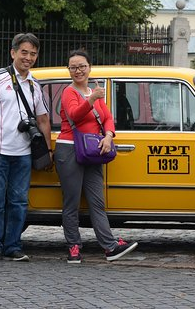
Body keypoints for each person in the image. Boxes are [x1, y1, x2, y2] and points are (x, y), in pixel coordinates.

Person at [56, 49, 138, 263]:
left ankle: (109, 247)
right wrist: (91, 99)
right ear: (69, 70)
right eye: (73, 67)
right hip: (70, 148)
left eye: (82, 66)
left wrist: (109, 136)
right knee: (71, 201)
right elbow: (75, 115)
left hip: (93, 150)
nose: (78, 71)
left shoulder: (95, 91)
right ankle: (73, 247)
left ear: (89, 67)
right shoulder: (69, 92)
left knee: (97, 201)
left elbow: (108, 118)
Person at [0, 33, 51, 262]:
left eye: (33, 53)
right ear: (13, 53)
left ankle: (13, 246)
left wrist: (46, 151)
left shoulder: (34, 85)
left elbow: (44, 119)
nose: (28, 57)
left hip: (23, 153)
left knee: (18, 202)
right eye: (24, 52)